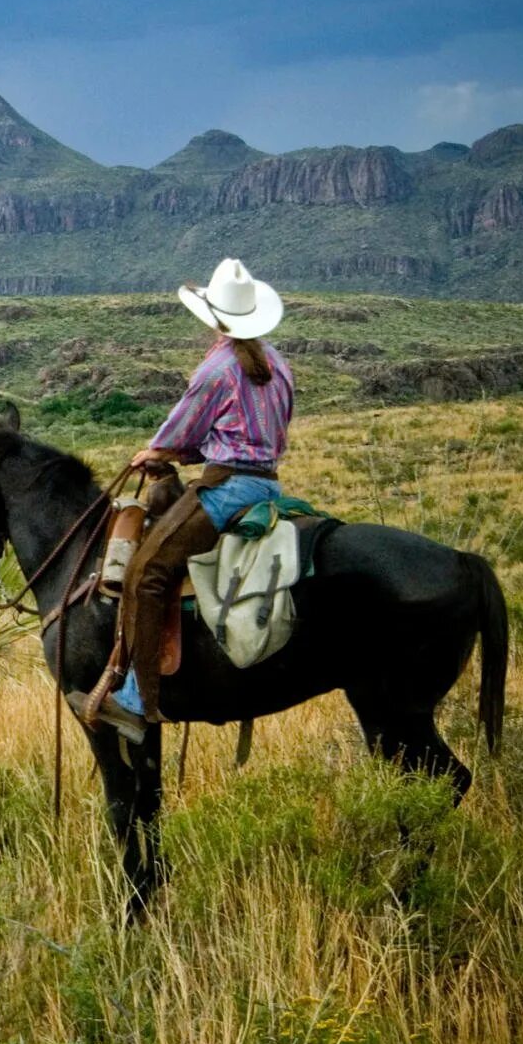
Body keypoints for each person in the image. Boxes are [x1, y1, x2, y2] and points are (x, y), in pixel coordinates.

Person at [111, 257, 294, 722]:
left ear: (213, 319)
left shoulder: (218, 368)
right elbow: (270, 434)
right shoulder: (277, 363)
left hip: (227, 488)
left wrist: (155, 452)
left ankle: (138, 700)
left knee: (146, 572)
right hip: (269, 487)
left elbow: (181, 431)